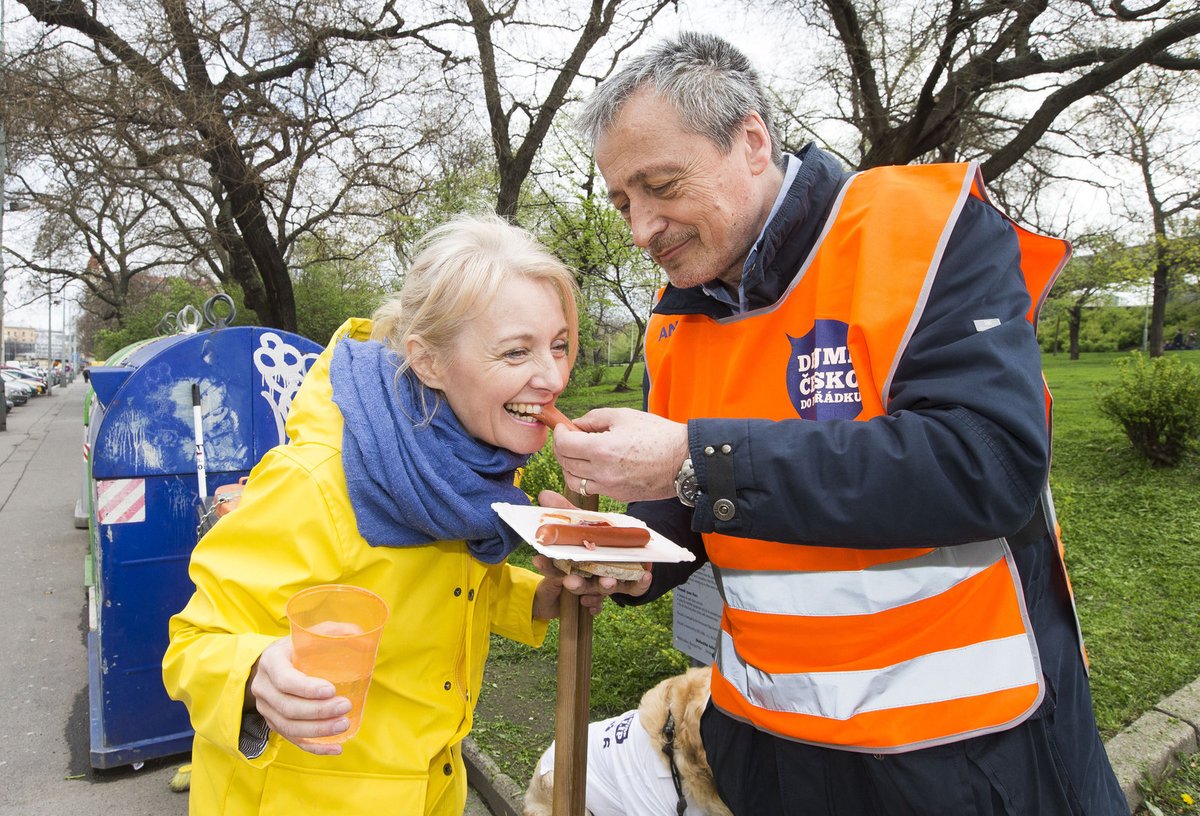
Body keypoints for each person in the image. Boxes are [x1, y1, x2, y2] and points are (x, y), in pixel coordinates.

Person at [546, 32, 1128, 815]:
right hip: (773, 750)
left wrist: (694, 458)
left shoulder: (922, 230)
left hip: (964, 754)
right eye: (623, 201)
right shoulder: (673, 322)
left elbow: (988, 464)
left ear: (752, 141)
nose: (642, 227)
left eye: (661, 185)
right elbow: (690, 508)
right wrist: (625, 556)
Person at [163, 213, 647, 815]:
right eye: (516, 350)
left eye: (557, 345)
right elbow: (193, 643)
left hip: (430, 790)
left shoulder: (462, 460)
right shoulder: (315, 482)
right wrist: (256, 672)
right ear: (429, 361)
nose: (551, 377)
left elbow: (441, 585)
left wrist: (538, 598)